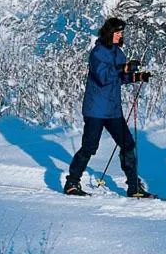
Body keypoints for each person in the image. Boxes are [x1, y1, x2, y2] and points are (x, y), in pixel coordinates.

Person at [63, 17, 156, 198]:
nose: (120, 35)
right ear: (109, 33)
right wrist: (124, 67)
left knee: (128, 144)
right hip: (96, 109)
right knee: (89, 147)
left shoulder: (118, 53)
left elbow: (119, 78)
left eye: (122, 32)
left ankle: (134, 187)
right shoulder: (97, 53)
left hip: (113, 110)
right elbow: (103, 77)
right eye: (118, 32)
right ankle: (71, 183)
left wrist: (136, 76)